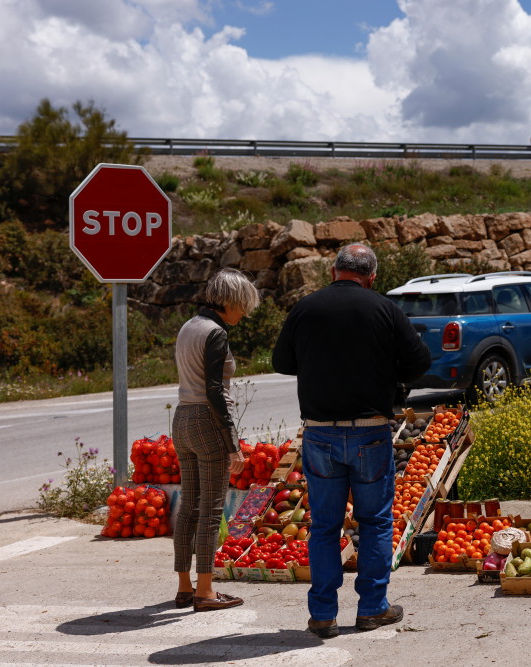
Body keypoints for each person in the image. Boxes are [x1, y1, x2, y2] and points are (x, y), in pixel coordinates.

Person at [272, 243, 431, 638]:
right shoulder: (384, 309)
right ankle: (372, 608)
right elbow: (420, 363)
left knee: (325, 527)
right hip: (370, 433)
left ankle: (323, 614)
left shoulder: (306, 308)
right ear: (371, 276)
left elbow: (281, 362)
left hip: (320, 432)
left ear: (333, 271)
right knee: (375, 523)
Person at [172, 268, 260, 612]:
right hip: (206, 420)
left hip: (181, 418)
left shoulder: (188, 326)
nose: (245, 313)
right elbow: (215, 391)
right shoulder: (216, 333)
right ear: (232, 301)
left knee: (189, 506)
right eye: (244, 305)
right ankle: (206, 591)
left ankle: (184, 586)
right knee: (210, 510)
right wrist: (232, 441)